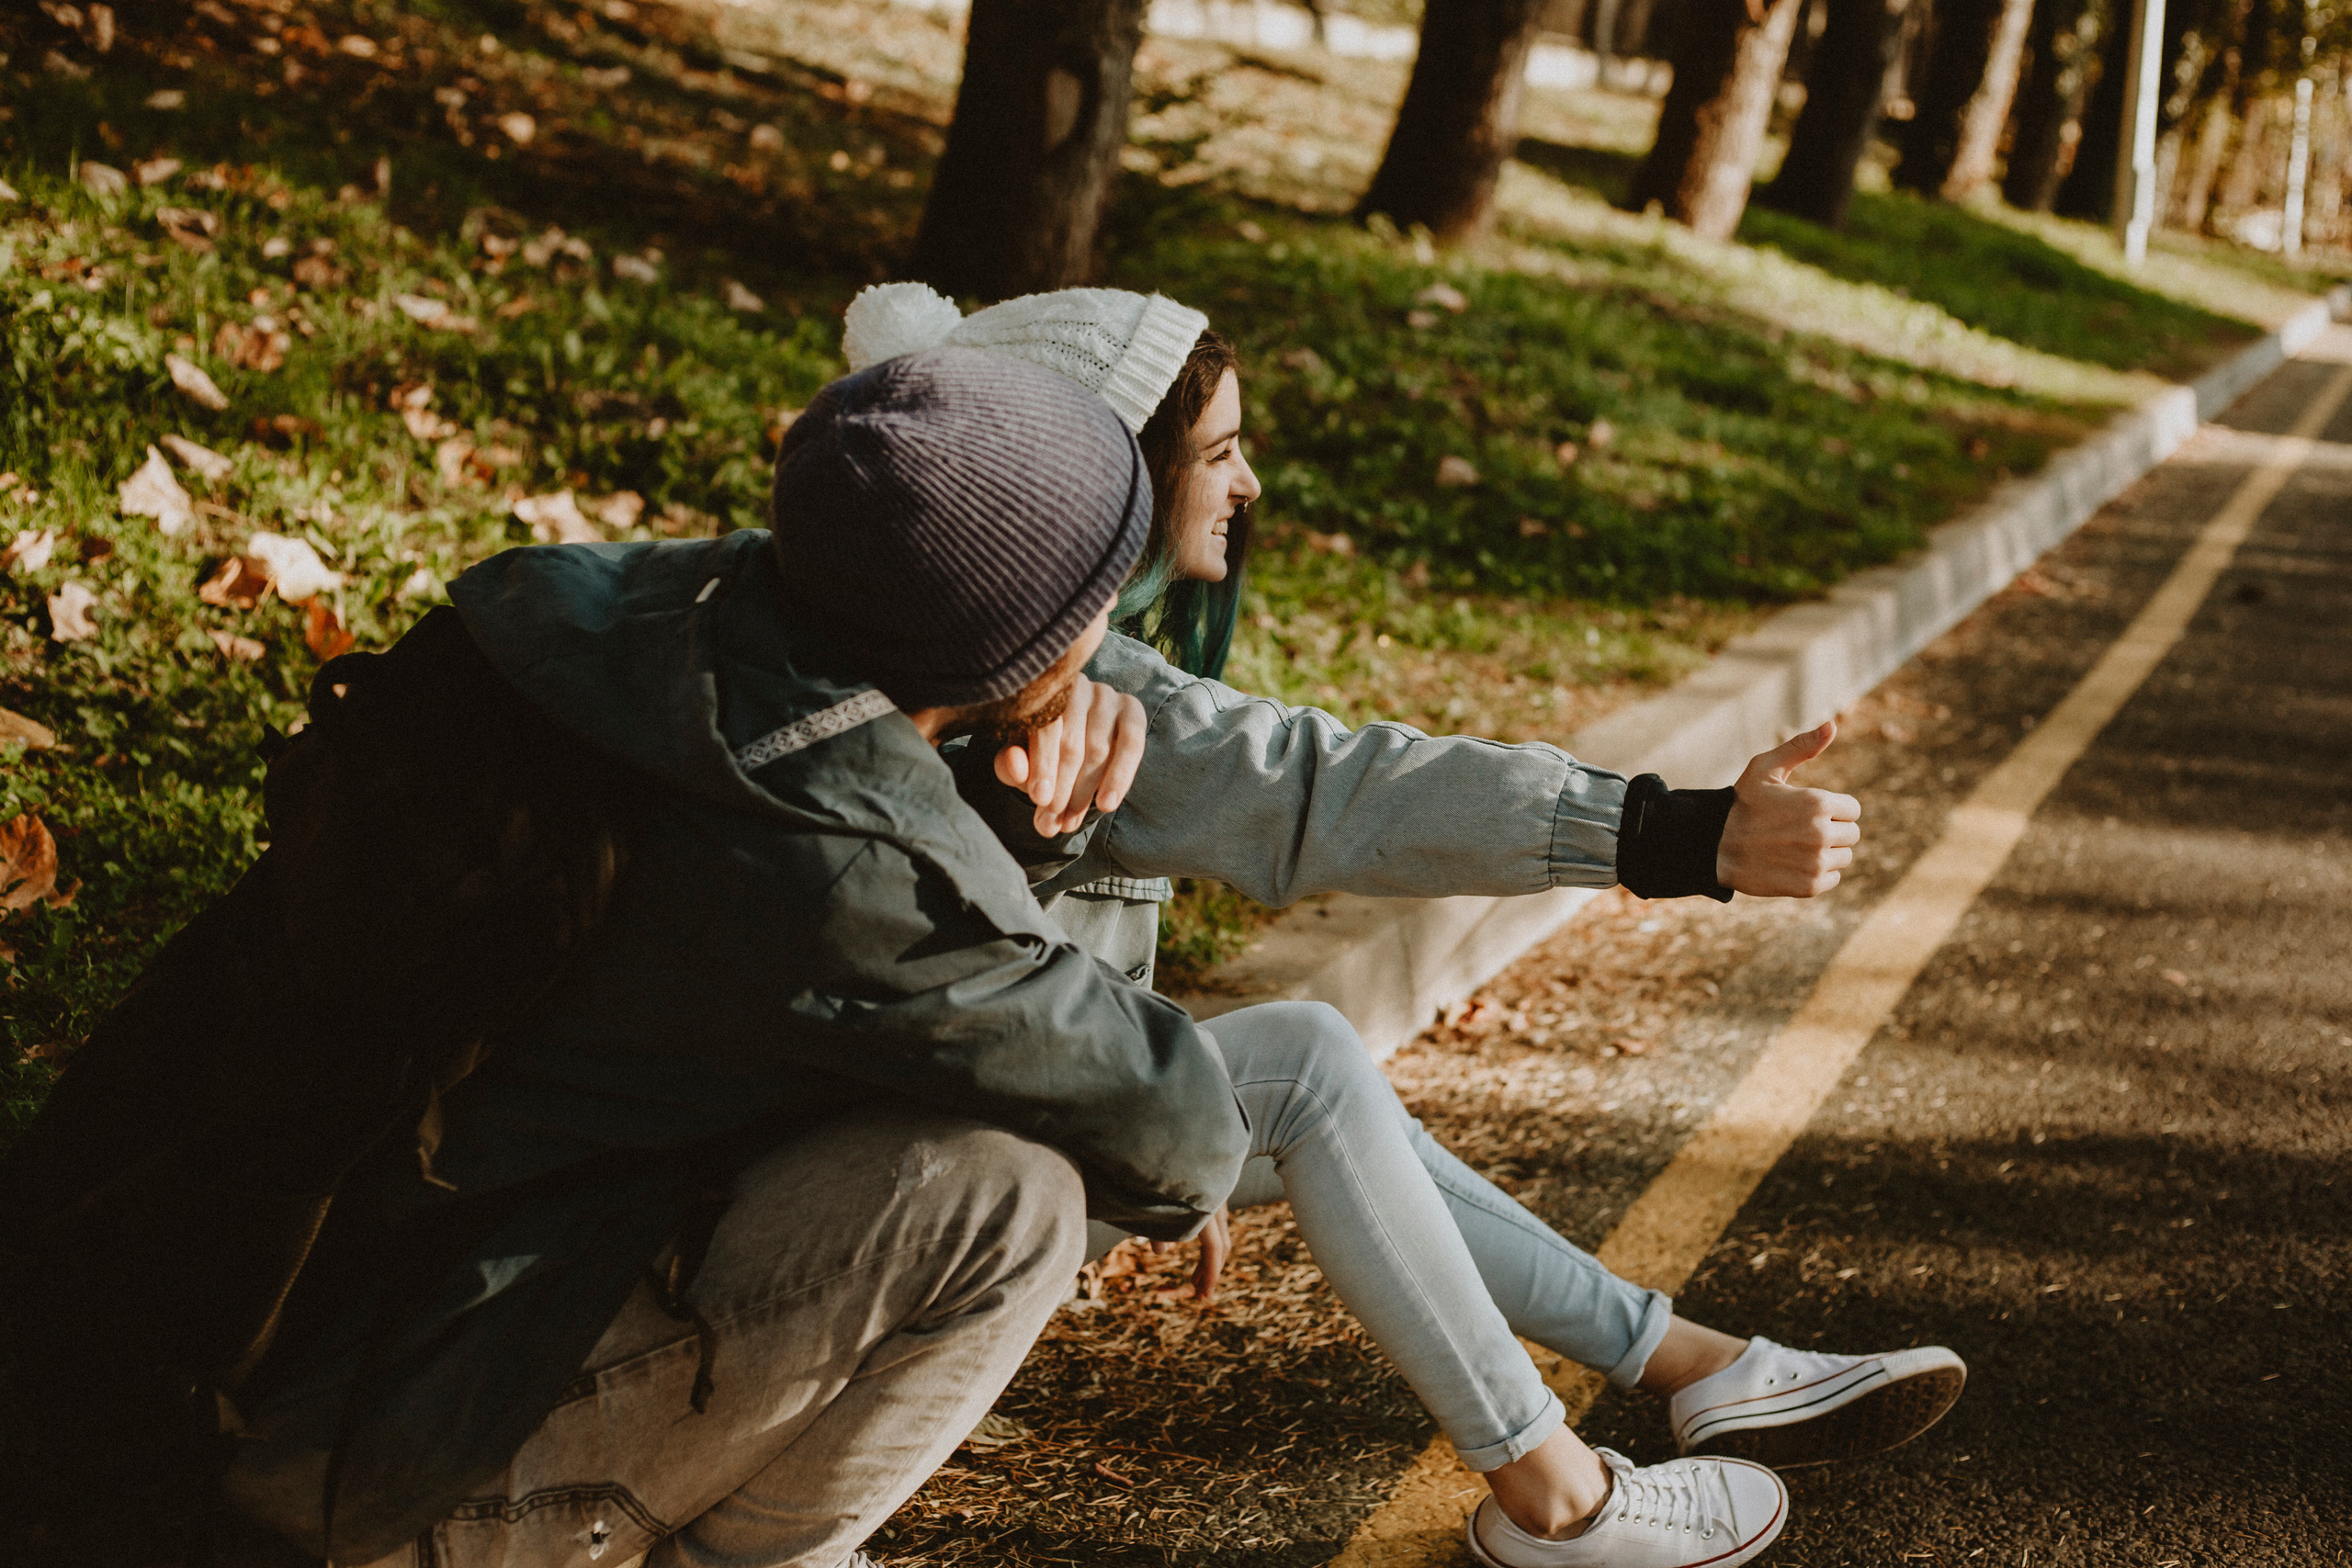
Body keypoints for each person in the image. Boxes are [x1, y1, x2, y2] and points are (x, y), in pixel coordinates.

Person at [0, 350, 1248, 1568]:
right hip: (322, 1460)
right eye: (1097, 586)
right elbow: (1180, 1130)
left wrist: (991, 806)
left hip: (164, 1311)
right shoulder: (845, 867)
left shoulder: (589, 613)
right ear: (1017, 630)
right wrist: (1008, 840)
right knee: (1007, 1198)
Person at [842, 285, 1970, 1568]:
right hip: (889, 1178)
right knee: (1310, 1067)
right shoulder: (1053, 692)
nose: (1249, 481)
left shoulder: (980, 654)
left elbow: (1017, 951)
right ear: (1110, 478)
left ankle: (1702, 1366)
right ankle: (1564, 1501)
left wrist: (1147, 1100)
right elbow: (1331, 789)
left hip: (942, 1127)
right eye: (1218, 451)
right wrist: (1678, 836)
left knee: (1318, 1099)